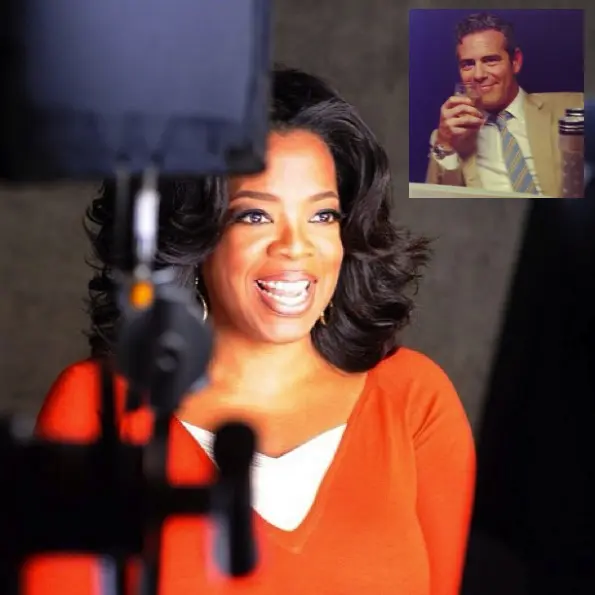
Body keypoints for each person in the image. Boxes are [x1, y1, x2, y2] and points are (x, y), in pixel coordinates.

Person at [32, 66, 476, 595]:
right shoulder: (97, 404)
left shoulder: (415, 399)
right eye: (255, 217)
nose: (295, 246)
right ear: (195, 237)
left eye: (323, 216)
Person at [426, 12, 584, 197]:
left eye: (490, 60)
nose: (478, 75)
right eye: (468, 64)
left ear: (515, 61)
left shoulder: (574, 106)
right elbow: (434, 199)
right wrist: (445, 144)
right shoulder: (448, 135)